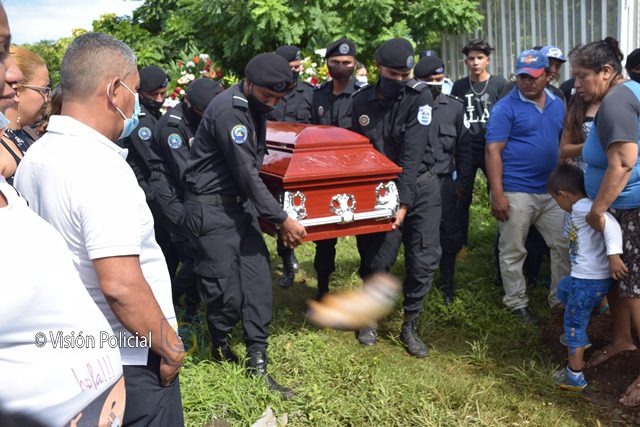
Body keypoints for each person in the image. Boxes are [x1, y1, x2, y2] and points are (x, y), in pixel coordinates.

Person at [14, 33, 185, 426]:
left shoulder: (37, 156)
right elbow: (121, 284)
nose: (136, 103)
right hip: (129, 357)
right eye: (135, 91)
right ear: (114, 90)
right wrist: (170, 346)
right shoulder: (100, 167)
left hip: (71, 354)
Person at [183, 52, 306, 399]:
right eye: (267, 96)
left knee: (257, 284)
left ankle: (257, 363)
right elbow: (246, 173)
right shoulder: (230, 111)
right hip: (211, 210)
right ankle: (220, 344)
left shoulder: (254, 106)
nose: (272, 104)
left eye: (278, 98)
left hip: (239, 207)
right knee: (226, 294)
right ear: (249, 83)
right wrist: (281, 218)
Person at [351, 38, 437, 357]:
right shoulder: (360, 101)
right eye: (393, 74)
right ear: (378, 67)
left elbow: (412, 154)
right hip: (380, 188)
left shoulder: (419, 96)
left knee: (422, 258)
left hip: (419, 185)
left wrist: (403, 203)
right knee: (377, 257)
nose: (400, 80)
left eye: (405, 75)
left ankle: (409, 324)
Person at [571, 38, 640, 407]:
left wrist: (598, 209)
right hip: (622, 208)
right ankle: (622, 340)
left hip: (631, 209)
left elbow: (624, 162)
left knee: (635, 290)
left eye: (582, 76)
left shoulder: (616, 101)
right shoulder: (624, 94)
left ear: (606, 71)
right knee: (622, 284)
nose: (577, 85)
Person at [485, 49, 570, 323]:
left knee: (564, 244)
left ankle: (560, 300)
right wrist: (498, 193)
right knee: (513, 249)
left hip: (551, 191)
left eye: (533, 77)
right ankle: (516, 302)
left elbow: (562, 142)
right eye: (522, 76)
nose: (527, 82)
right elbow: (493, 151)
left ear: (547, 75)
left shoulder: (557, 104)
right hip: (516, 190)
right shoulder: (505, 108)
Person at [149, 77, 224, 317]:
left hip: (191, 193)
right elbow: (187, 172)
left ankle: (190, 305)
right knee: (198, 250)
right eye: (204, 112)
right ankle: (171, 299)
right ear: (188, 103)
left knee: (194, 250)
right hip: (171, 194)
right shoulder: (172, 127)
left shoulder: (204, 118)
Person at [546, 165, 625, 391]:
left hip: (588, 279)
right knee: (564, 288)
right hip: (582, 278)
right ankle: (580, 336)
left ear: (563, 195)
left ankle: (574, 375)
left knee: (573, 324)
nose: (557, 204)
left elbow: (610, 225)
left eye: (556, 200)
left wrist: (614, 256)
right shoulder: (578, 208)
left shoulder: (583, 207)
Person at [413, 53, 472, 305]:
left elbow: (465, 150)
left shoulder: (454, 108)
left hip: (445, 182)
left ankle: (447, 285)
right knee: (420, 236)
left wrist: (463, 184)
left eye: (440, 79)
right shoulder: (409, 106)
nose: (436, 84)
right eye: (430, 80)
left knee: (449, 235)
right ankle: (418, 284)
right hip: (417, 183)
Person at [310, 37, 365, 300]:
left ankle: (367, 292)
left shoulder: (364, 95)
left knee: (366, 237)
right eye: (335, 62)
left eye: (346, 62)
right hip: (326, 175)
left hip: (358, 174)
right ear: (327, 63)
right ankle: (322, 287)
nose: (341, 66)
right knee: (324, 237)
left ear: (354, 64)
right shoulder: (318, 95)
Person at [451, 39, 508, 247]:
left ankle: (502, 240)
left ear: (488, 60)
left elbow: (506, 116)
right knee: (461, 195)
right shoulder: (459, 86)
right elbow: (452, 117)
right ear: (466, 62)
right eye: (471, 58)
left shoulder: (499, 84)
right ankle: (459, 244)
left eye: (480, 58)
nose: (475, 62)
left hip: (492, 147)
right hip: (466, 148)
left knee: (499, 192)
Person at [268, 44, 313, 289]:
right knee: (280, 213)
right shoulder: (270, 92)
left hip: (303, 165)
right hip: (275, 164)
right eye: (292, 67)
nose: (296, 71)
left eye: (298, 67)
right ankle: (287, 262)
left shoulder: (310, 93)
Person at [0, 46, 49, 184]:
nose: (47, 99)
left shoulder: (25, 132)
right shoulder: (2, 149)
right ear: (16, 92)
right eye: (44, 90)